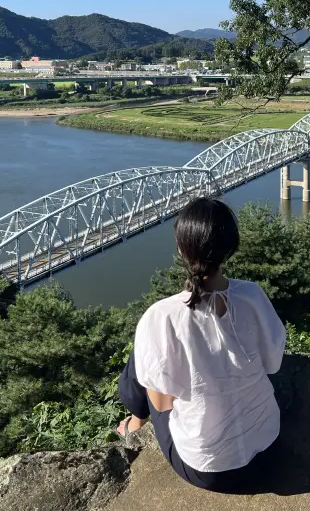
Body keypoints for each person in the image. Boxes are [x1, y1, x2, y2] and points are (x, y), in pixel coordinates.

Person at [117, 196, 286, 493]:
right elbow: (273, 364)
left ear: (181, 249)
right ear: (231, 248)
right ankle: (135, 417)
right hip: (269, 446)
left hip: (209, 471)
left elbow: (163, 403)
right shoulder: (253, 296)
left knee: (145, 356)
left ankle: (134, 420)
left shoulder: (162, 315)